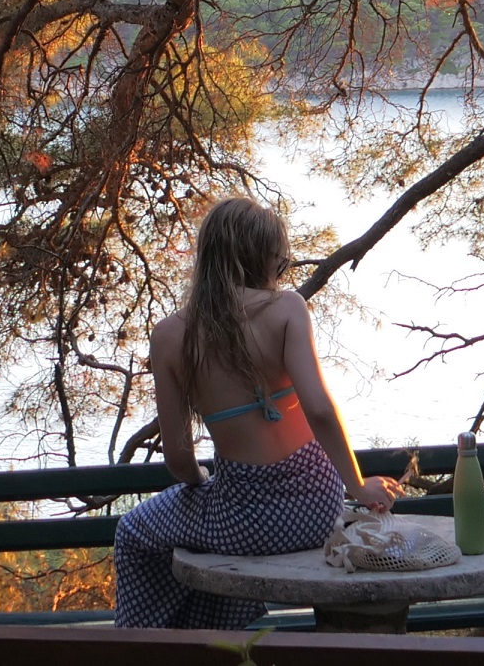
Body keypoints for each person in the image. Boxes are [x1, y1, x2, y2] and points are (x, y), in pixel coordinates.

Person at [113, 195, 403, 628]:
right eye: (280, 263)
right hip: (317, 507)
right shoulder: (286, 309)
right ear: (263, 258)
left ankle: (152, 647)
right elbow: (320, 410)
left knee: (133, 533)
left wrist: (200, 484)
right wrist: (358, 486)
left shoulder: (170, 335)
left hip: (245, 521)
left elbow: (178, 460)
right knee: (214, 548)